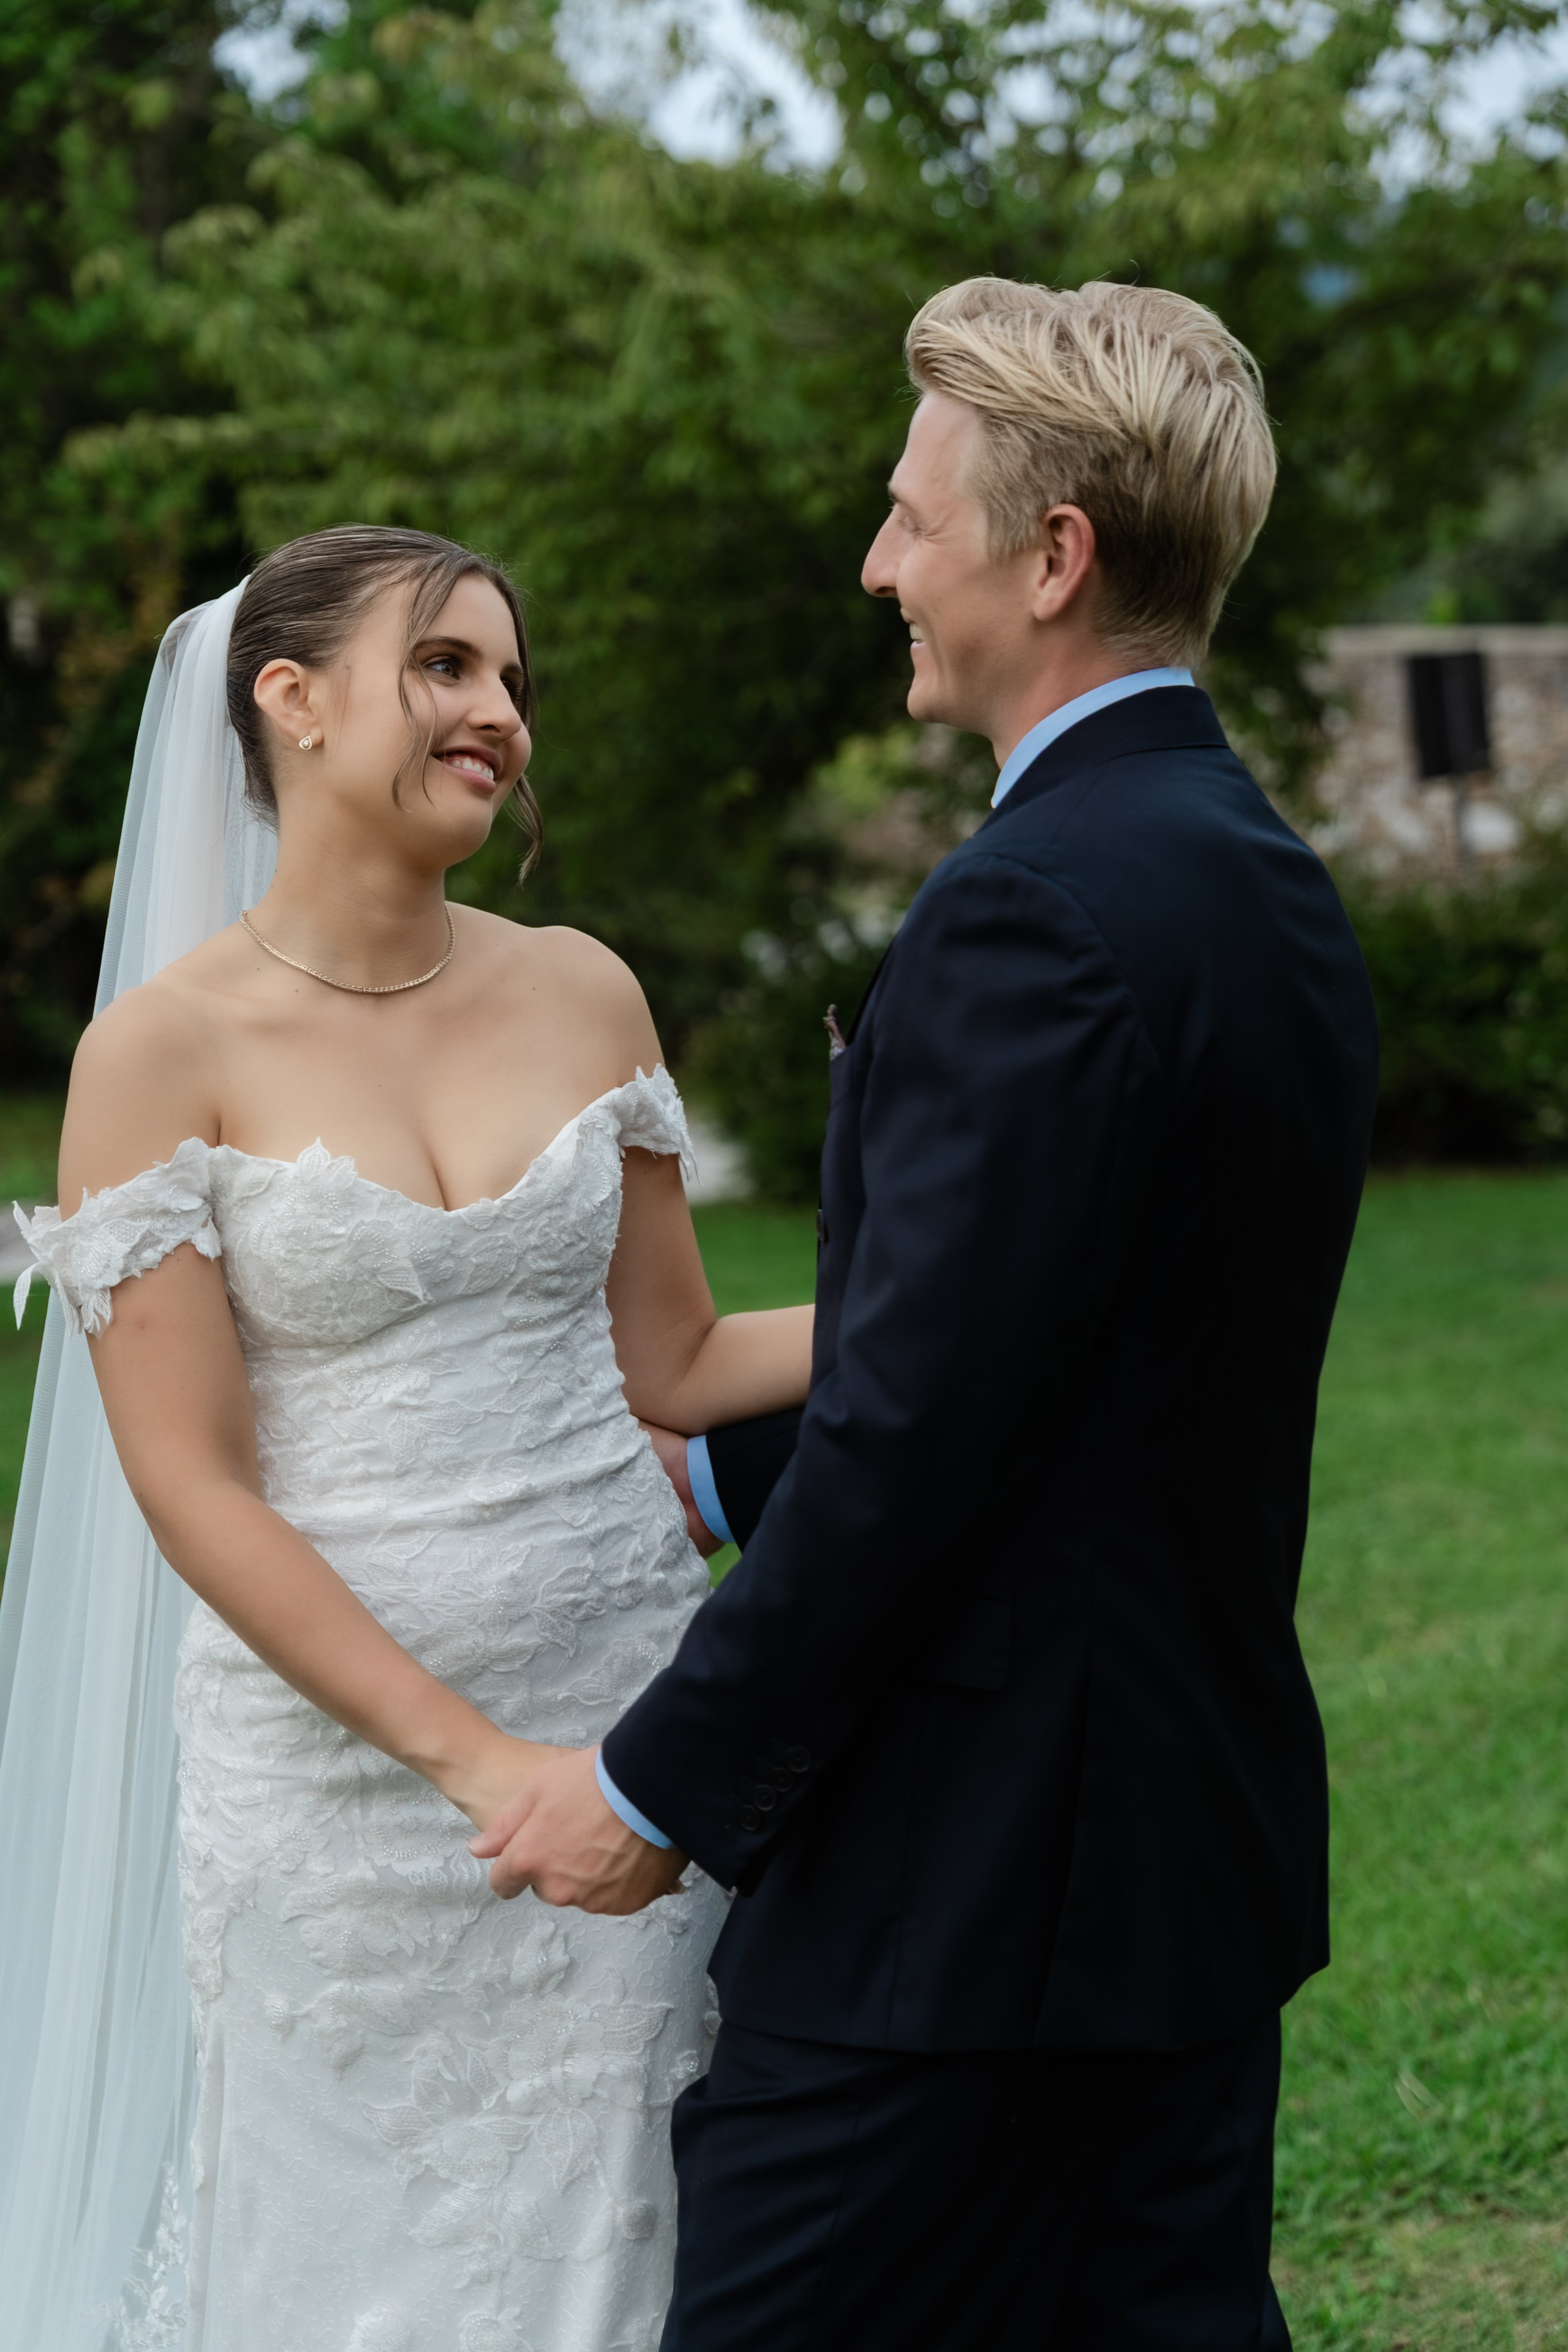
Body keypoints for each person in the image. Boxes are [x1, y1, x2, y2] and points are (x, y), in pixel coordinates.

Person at [474, 278, 1382, 2350]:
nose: (880, 562)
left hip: (969, 1907)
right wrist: (703, 1458)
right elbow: (1079, 1348)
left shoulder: (1029, 909)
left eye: (910, 516)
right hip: (1173, 1857)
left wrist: (650, 1787)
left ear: (1049, 556)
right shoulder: (1259, 878)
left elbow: (925, 1446)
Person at [2, 526, 810, 2351]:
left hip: (626, 1726)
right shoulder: (156, 1053)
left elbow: (674, 1360)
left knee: (644, 2232)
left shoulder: (586, 988)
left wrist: (972, 1315)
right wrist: (477, 1770)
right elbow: (193, 1484)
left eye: (512, 679)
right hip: (346, 1799)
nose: (498, 710)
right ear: (286, 699)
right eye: (444, 664)